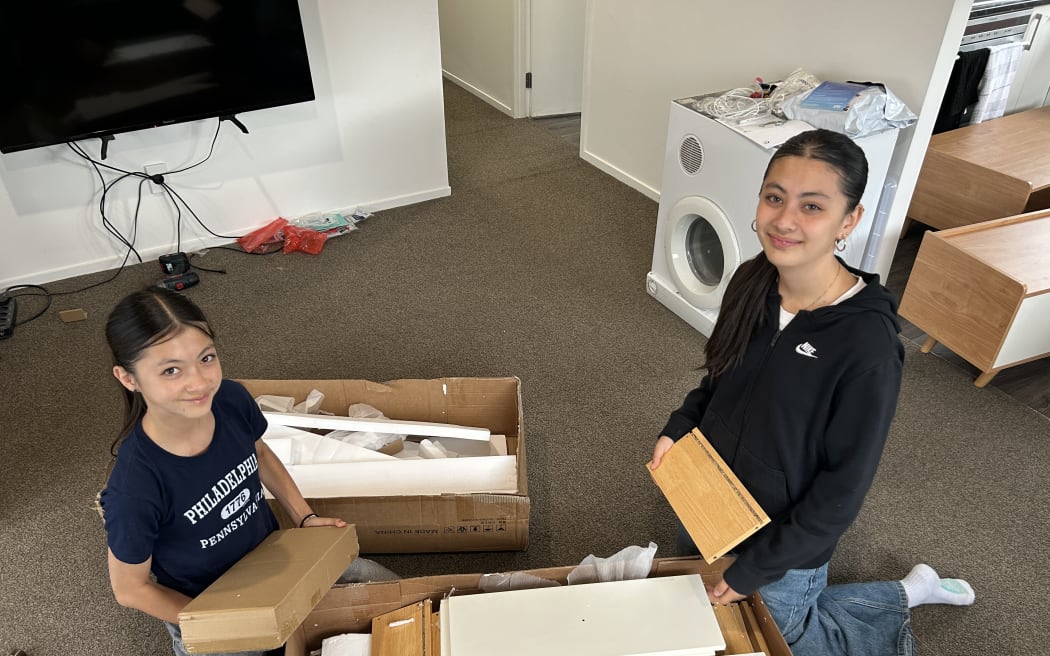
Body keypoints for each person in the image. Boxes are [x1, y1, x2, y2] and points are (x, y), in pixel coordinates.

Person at [649, 129, 974, 656]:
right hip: (712, 500)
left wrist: (760, 565)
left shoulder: (867, 345)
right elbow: (719, 378)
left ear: (849, 221)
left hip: (789, 540)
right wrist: (681, 426)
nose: (783, 220)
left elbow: (843, 490)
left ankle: (905, 596)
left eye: (812, 206)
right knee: (700, 611)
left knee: (789, 641)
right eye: (774, 197)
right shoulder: (752, 280)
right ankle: (907, 591)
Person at [98, 287, 388, 656]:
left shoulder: (231, 400)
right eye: (171, 370)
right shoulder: (135, 487)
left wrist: (304, 518)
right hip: (207, 601)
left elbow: (261, 453)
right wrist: (217, 622)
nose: (199, 383)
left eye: (206, 358)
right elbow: (130, 589)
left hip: (273, 560)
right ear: (129, 378)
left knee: (380, 587)